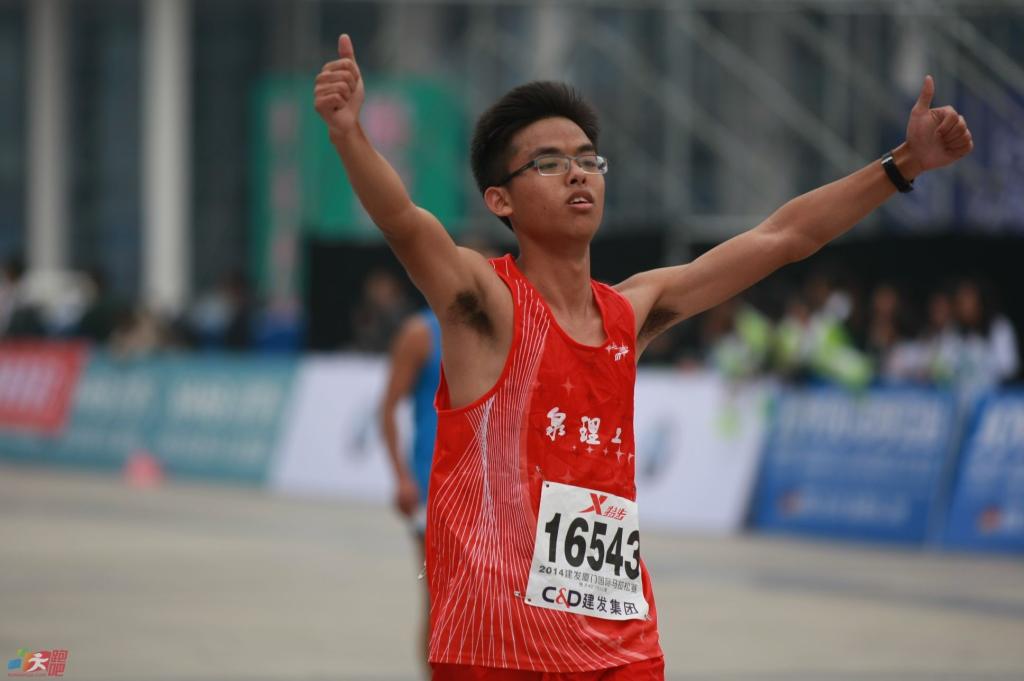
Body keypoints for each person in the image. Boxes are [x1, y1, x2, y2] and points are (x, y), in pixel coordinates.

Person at [313, 33, 972, 679]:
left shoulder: (631, 312)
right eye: (548, 163)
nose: (577, 173)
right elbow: (404, 222)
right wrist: (348, 133)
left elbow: (783, 236)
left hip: (621, 647)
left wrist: (903, 164)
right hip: (499, 648)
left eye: (588, 159)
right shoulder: (486, 304)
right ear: (499, 199)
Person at [379, 307, 442, 676]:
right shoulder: (421, 333)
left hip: (489, 488)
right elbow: (388, 407)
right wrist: (401, 477)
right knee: (439, 601)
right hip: (431, 486)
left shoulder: (498, 323)